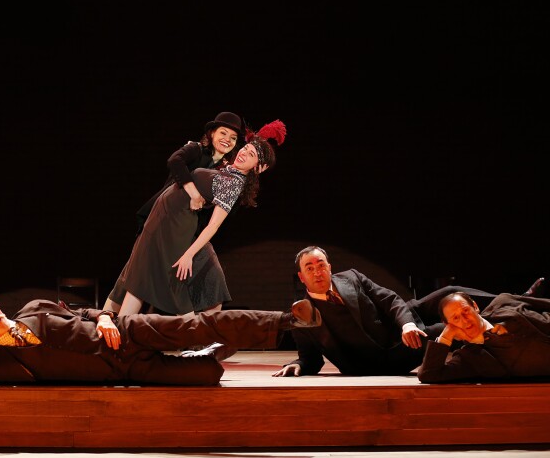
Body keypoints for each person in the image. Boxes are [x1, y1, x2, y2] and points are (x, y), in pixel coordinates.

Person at [0, 290, 322, 386]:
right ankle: (209, 352)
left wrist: (105, 317)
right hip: (125, 371)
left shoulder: (34, 308)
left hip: (128, 332)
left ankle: (288, 320)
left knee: (198, 323)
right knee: (208, 374)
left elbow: (85, 312)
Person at [107, 119, 287, 317]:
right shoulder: (227, 170)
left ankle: (183, 331)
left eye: (251, 154)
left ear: (258, 167)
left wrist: (189, 254)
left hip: (176, 225)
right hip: (165, 218)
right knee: (139, 279)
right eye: (246, 148)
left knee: (157, 284)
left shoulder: (234, 184)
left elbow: (213, 226)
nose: (243, 153)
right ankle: (117, 329)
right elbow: (184, 162)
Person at [273, 246, 499, 377]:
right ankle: (498, 341)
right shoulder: (302, 315)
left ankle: (508, 305)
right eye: (310, 268)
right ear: (302, 277)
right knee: (449, 327)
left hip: (395, 326)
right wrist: (299, 365)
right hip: (385, 358)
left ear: (329, 267)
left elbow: (389, 299)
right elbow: (311, 359)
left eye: (321, 265)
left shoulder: (351, 277)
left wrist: (407, 324)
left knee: (449, 293)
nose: (317, 272)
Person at [417, 291, 550, 383]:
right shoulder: (470, 358)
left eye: (465, 311)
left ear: (475, 306)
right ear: (448, 325)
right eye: (456, 318)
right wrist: (445, 336)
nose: (465, 320)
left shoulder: (503, 303)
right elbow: (429, 374)